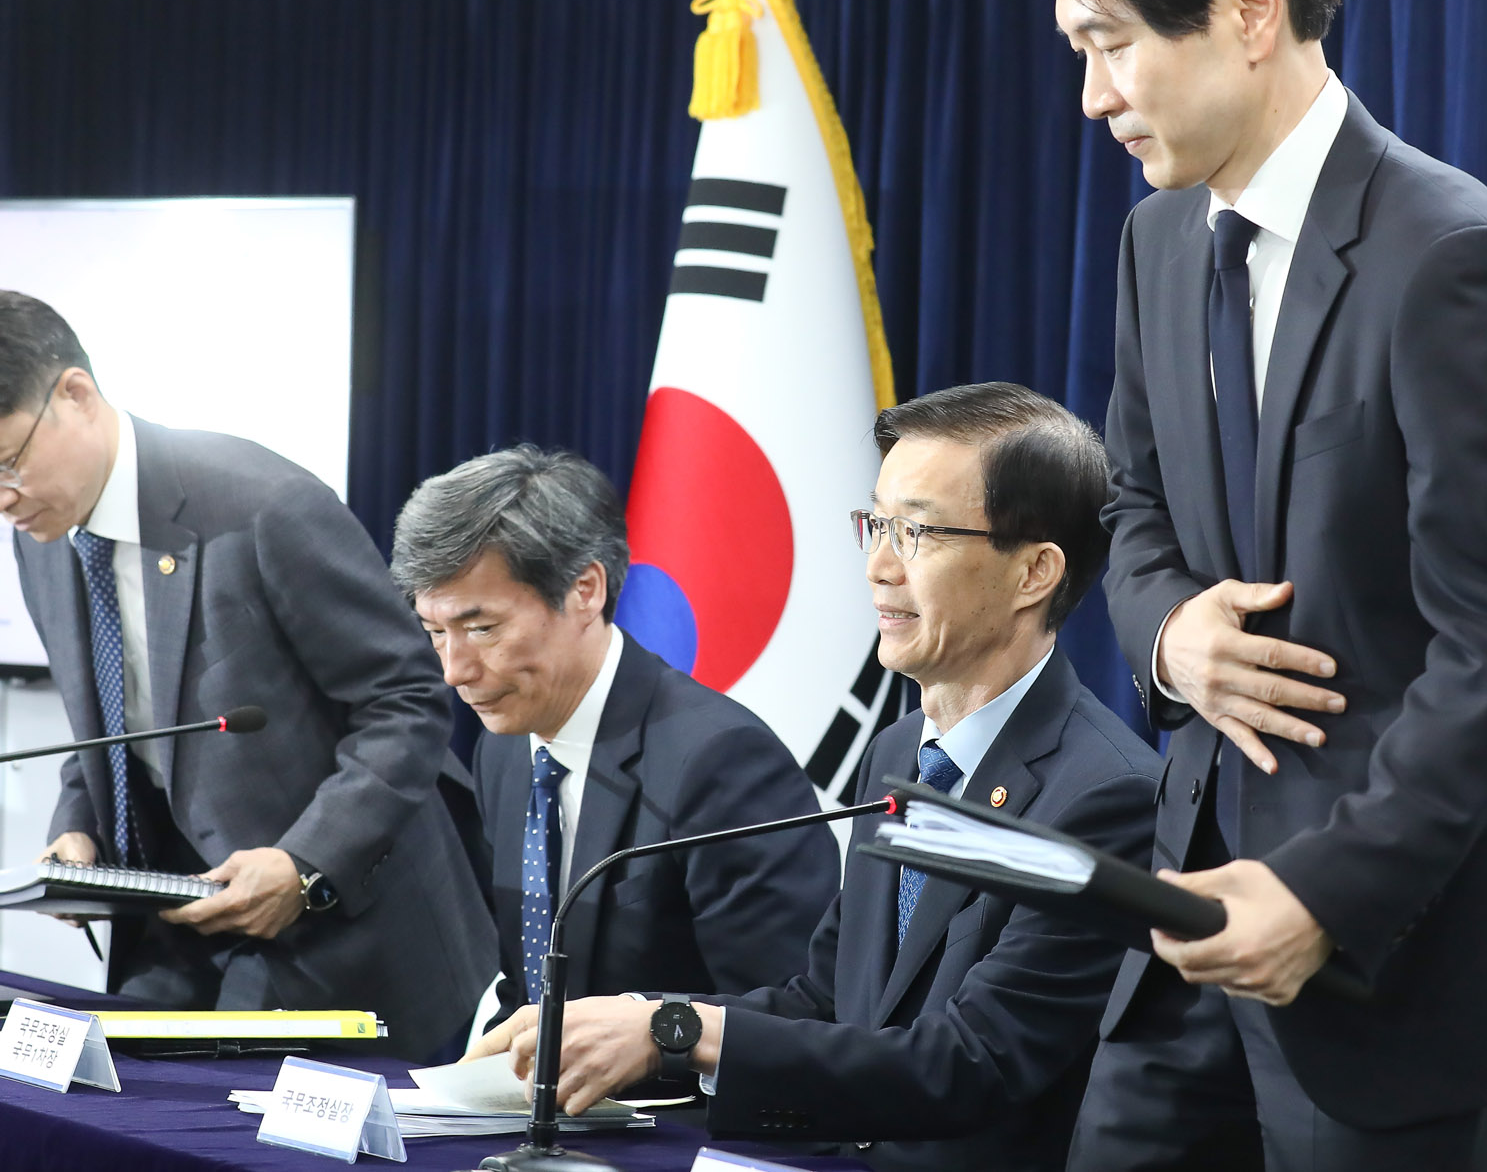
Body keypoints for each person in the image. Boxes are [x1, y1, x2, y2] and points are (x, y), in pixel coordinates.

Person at [1004, 0, 1487, 1169]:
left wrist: (1322, 892)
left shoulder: (1448, 250)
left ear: (1248, 12)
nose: (1093, 95)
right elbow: (1132, 509)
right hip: (1184, 927)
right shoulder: (1155, 240)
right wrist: (1167, 629)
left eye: (1110, 47)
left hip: (1383, 951)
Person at [469, 385, 1160, 1172]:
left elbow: (969, 1063)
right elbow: (825, 1001)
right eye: (877, 524)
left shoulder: (1106, 797)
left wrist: (683, 1031)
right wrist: (646, 1018)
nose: (878, 566)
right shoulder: (899, 751)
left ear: (1035, 570)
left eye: (919, 532)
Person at [0, 285, 497, 1059]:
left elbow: (406, 701)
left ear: (74, 393)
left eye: (2, 465)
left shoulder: (262, 504)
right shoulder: (41, 536)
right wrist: (76, 827)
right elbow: (105, 715)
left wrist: (304, 865)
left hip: (347, 938)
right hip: (179, 935)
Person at [389, 446, 840, 1026]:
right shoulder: (503, 747)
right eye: (435, 632)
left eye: (482, 629)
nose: (454, 671)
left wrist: (640, 1033)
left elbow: (799, 1014)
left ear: (585, 591)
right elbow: (530, 984)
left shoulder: (719, 762)